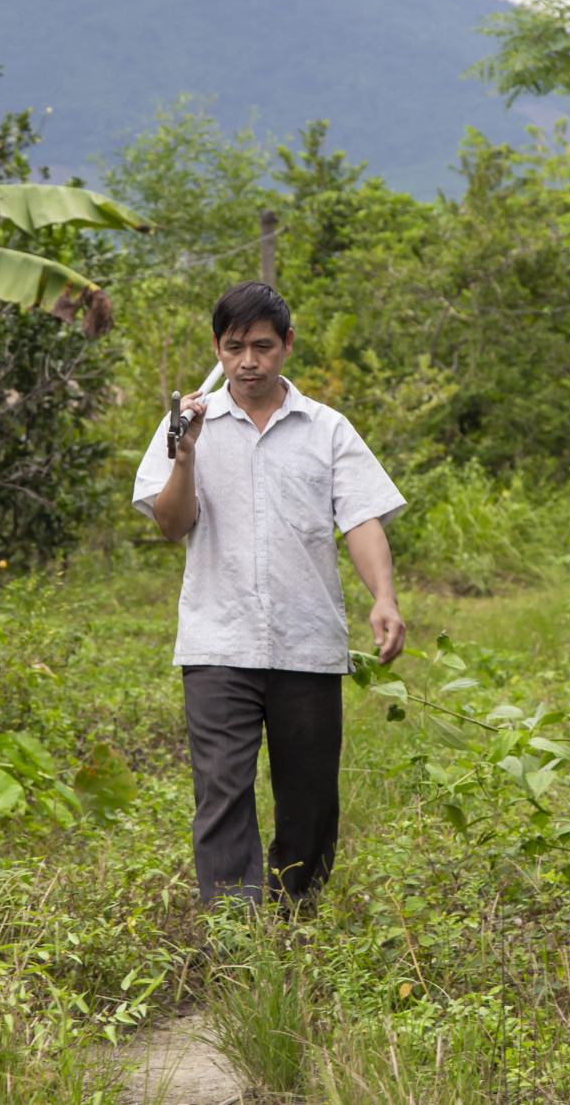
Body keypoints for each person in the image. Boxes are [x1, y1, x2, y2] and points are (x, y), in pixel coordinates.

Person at [132, 281, 406, 906]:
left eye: (261, 346)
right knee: (222, 788)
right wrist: (185, 457)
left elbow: (361, 520)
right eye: (233, 348)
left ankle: (294, 911)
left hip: (305, 640)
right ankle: (234, 927)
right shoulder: (184, 427)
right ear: (217, 348)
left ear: (286, 345)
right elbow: (171, 525)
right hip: (217, 639)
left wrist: (383, 597)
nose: (247, 362)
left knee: (308, 794)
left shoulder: (327, 429)